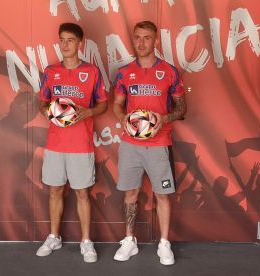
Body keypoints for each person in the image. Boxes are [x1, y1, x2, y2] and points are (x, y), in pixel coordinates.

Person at [112, 21, 187, 265]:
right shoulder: (124, 72)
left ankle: (164, 243)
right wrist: (122, 117)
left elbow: (182, 106)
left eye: (147, 38)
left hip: (159, 142)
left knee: (162, 194)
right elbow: (116, 104)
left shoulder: (169, 71)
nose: (141, 43)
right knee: (130, 192)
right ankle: (130, 240)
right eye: (137, 38)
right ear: (133, 40)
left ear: (155, 41)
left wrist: (165, 118)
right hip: (130, 144)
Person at [36, 23, 108, 263]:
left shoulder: (92, 72)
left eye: (70, 40)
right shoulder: (51, 71)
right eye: (62, 40)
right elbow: (43, 103)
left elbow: (103, 104)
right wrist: (48, 112)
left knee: (82, 193)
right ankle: (54, 236)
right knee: (55, 191)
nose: (65, 44)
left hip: (81, 144)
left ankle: (86, 241)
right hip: (56, 143)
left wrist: (87, 113)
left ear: (80, 44)